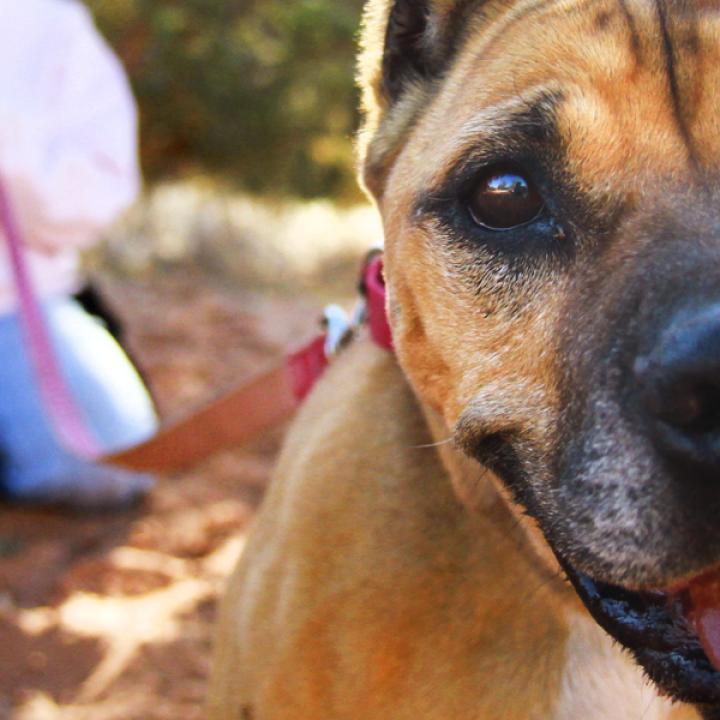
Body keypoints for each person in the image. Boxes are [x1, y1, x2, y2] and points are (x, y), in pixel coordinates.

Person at [0, 0, 158, 510]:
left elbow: (100, 197)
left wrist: (10, 139)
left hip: (13, 305)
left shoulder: (44, 20)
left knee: (114, 459)